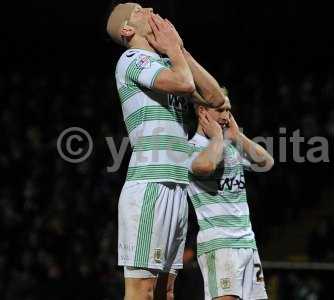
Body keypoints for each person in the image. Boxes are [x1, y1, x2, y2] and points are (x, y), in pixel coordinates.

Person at [106, 3, 225, 300]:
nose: (148, 8)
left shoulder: (168, 63)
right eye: (137, 10)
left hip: (176, 186)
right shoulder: (131, 59)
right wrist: (172, 49)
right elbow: (184, 83)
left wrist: (180, 50)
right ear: (127, 29)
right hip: (150, 186)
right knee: (141, 292)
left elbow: (216, 99)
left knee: (165, 292)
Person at [187, 89, 274, 299]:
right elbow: (206, 165)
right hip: (219, 243)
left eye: (228, 110)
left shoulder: (231, 146)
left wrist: (238, 136)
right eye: (220, 109)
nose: (226, 116)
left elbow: (267, 162)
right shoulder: (187, 148)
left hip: (247, 242)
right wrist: (217, 137)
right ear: (202, 112)